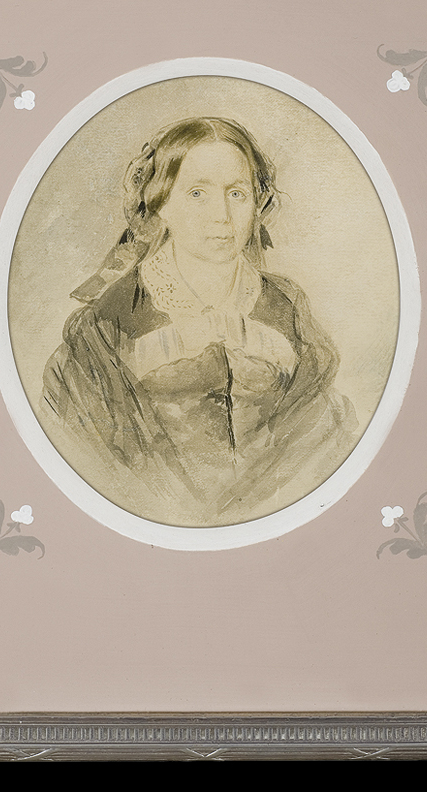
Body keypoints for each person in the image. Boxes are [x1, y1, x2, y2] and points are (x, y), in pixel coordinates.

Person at [42, 117, 357, 526]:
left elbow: (323, 434)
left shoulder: (287, 308)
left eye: (237, 194)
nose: (221, 216)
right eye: (197, 194)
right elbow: (86, 454)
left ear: (257, 203)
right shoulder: (106, 325)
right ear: (160, 202)